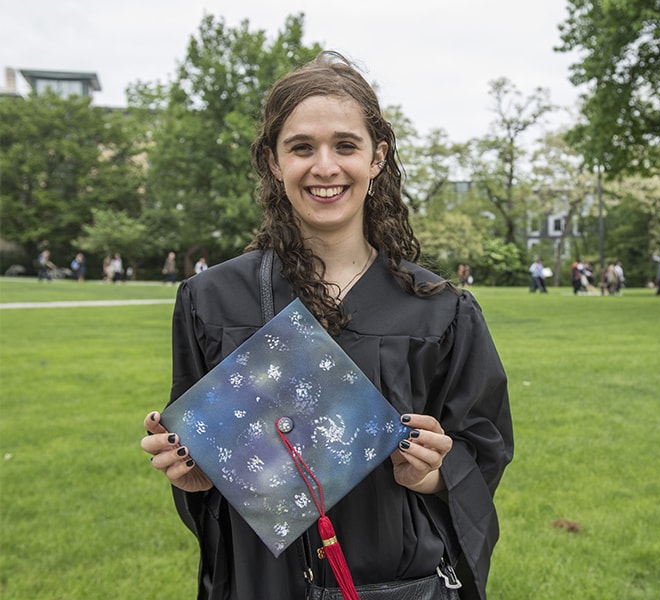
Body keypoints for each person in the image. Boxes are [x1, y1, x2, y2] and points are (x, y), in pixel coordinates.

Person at [140, 52, 513, 600]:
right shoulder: (212, 301)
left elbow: (483, 451)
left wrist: (435, 472)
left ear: (377, 156)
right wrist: (197, 479)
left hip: (394, 586)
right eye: (300, 147)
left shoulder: (440, 311)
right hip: (263, 585)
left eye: (345, 145)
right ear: (273, 161)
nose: (325, 166)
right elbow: (207, 477)